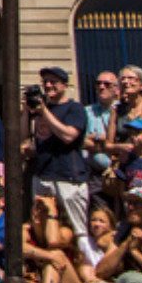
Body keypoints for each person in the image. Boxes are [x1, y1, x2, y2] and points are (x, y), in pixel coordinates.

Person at [31, 65, 94, 243]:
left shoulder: (74, 108)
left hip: (69, 178)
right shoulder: (38, 109)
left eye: (53, 82)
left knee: (77, 231)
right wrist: (26, 112)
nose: (49, 85)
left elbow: (69, 136)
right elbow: (24, 137)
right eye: (45, 82)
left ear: (65, 85)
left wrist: (44, 111)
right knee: (41, 229)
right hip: (43, 176)